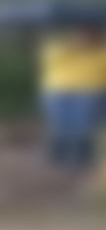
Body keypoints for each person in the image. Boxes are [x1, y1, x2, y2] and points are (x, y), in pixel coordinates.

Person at [40, 27, 106, 170]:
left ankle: (82, 159)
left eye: (90, 35)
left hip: (90, 91)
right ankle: (58, 158)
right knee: (59, 124)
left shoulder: (102, 53)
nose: (85, 38)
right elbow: (49, 60)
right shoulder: (58, 48)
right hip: (59, 90)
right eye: (82, 34)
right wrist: (73, 47)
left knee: (83, 125)